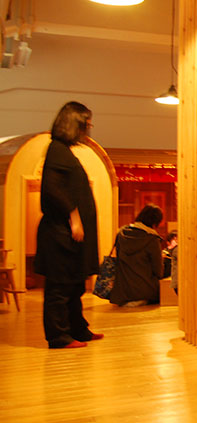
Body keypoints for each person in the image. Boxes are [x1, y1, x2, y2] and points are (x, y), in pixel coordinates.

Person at [34, 101, 102, 349]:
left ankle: (78, 330)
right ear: (76, 123)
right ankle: (59, 336)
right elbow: (52, 190)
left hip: (67, 236)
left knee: (73, 286)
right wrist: (74, 216)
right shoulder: (56, 149)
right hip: (59, 235)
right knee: (60, 288)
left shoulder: (63, 151)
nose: (89, 128)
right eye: (87, 123)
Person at [110, 204, 164, 307]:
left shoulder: (121, 233)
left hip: (122, 292)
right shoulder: (152, 239)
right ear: (154, 223)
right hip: (144, 292)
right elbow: (158, 271)